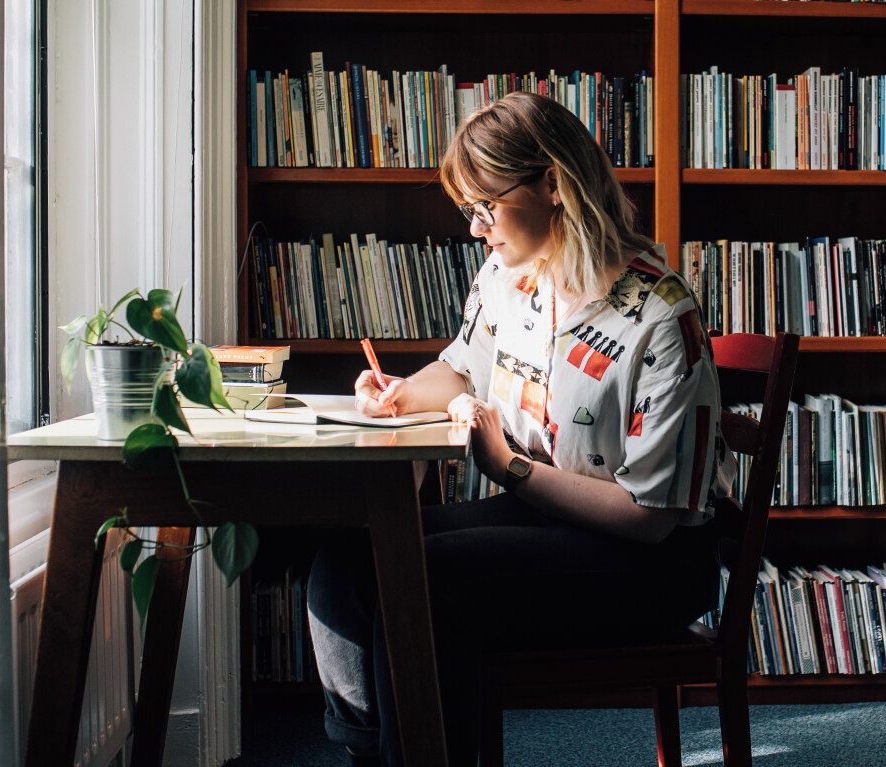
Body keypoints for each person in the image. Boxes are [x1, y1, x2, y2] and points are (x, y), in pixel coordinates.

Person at [307, 91, 735, 766]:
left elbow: (649, 517)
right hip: (549, 520)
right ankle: (382, 755)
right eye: (469, 209)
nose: (477, 227)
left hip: (650, 560)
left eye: (487, 205)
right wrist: (400, 392)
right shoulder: (509, 278)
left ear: (553, 183)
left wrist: (509, 465)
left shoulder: (658, 315)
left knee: (428, 579)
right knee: (346, 565)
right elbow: (463, 368)